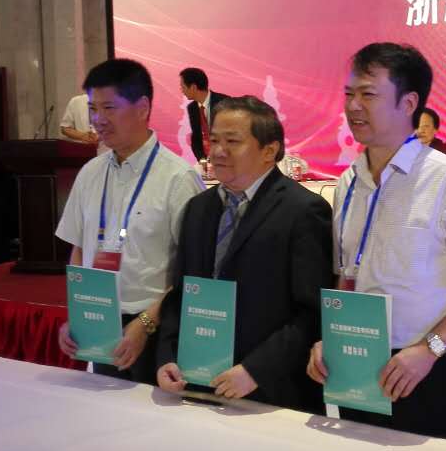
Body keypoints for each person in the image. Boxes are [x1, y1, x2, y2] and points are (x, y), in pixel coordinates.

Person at [306, 43, 446, 441]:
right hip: (357, 363)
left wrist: (429, 350)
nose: (353, 106)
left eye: (368, 94)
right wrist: (331, 337)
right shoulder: (348, 182)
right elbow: (347, 274)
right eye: (349, 94)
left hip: (424, 368)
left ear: (409, 102)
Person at [153, 96, 332, 411]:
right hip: (196, 382)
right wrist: (166, 356)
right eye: (214, 140)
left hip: (271, 393)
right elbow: (180, 293)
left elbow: (312, 313)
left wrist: (254, 371)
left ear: (269, 150)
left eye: (232, 141)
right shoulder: (198, 208)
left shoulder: (304, 211)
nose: (218, 151)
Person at [55, 59, 204, 381]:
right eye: (93, 109)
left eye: (109, 108)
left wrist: (146, 323)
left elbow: (192, 270)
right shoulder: (90, 173)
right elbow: (79, 250)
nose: (98, 120)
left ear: (142, 107)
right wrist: (78, 314)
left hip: (155, 332)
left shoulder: (178, 178)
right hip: (98, 324)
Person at [180, 67, 228, 161]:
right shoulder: (192, 108)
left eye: (183, 87)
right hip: (207, 160)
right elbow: (196, 138)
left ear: (193, 87)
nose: (182, 90)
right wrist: (202, 159)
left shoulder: (224, 102)